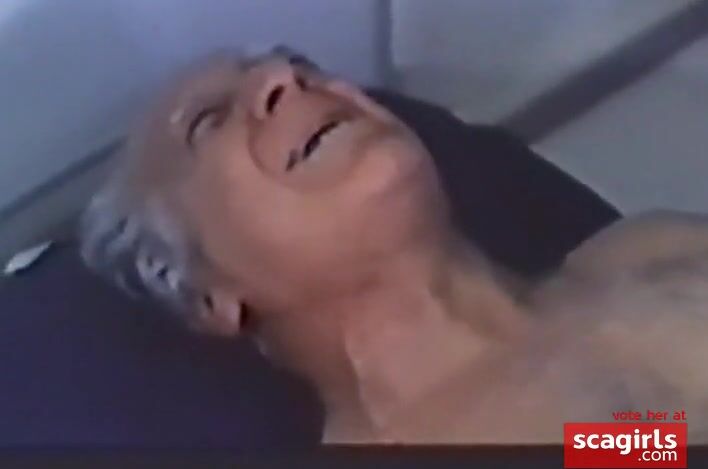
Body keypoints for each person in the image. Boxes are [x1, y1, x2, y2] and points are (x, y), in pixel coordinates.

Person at [81, 49, 708, 443]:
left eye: (299, 65)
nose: (285, 77)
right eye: (209, 121)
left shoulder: (650, 251)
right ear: (210, 295)